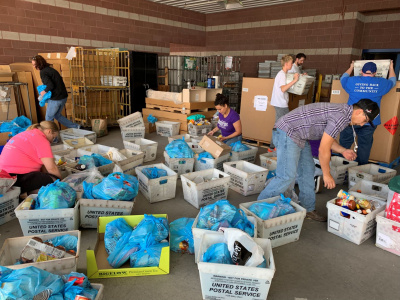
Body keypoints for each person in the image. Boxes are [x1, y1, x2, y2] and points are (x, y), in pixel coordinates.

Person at [257, 99, 380, 222]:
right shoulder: (341, 116)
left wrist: (343, 150)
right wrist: (327, 175)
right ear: (359, 112)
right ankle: (256, 210)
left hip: (300, 135)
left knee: (307, 171)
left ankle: (308, 209)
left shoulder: (344, 114)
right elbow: (323, 149)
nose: (363, 124)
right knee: (286, 176)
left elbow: (327, 138)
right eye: (365, 120)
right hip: (288, 131)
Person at [339, 60, 396, 165]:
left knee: (344, 144)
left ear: (361, 71)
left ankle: (339, 165)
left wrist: (351, 66)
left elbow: (343, 78)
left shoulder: (352, 81)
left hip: (351, 119)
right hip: (370, 120)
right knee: (364, 146)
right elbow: (393, 80)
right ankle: (360, 169)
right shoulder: (381, 83)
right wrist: (391, 67)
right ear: (375, 73)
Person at [0, 121, 62, 199]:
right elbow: (52, 168)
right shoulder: (42, 140)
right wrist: (62, 184)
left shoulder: (26, 134)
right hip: (15, 179)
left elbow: (43, 166)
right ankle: (23, 195)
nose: (52, 141)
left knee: (45, 176)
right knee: (52, 180)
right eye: (53, 137)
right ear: (49, 131)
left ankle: (23, 194)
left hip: (4, 177)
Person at [32, 55, 80, 129]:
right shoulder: (50, 70)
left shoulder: (43, 72)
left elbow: (50, 85)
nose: (34, 67)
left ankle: (53, 138)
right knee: (57, 115)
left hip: (56, 98)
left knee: (48, 118)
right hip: (63, 97)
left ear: (39, 64)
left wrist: (43, 92)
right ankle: (76, 127)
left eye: (35, 65)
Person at [269, 55, 299, 150]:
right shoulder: (282, 74)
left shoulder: (283, 73)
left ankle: (273, 146)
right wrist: (295, 80)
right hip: (280, 104)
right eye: (291, 63)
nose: (292, 65)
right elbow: (283, 89)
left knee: (278, 124)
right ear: (286, 64)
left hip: (279, 103)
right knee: (284, 124)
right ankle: (276, 146)